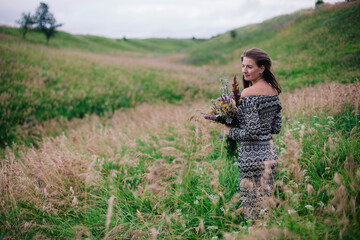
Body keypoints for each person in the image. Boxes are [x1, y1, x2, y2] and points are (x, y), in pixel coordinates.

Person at [224, 48, 282, 221]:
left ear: (262, 68)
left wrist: (230, 131)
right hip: (270, 155)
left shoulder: (248, 94)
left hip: (251, 158)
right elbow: (276, 127)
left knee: (252, 210)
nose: (244, 70)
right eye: (243, 66)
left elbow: (252, 132)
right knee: (267, 207)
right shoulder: (273, 91)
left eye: (249, 66)